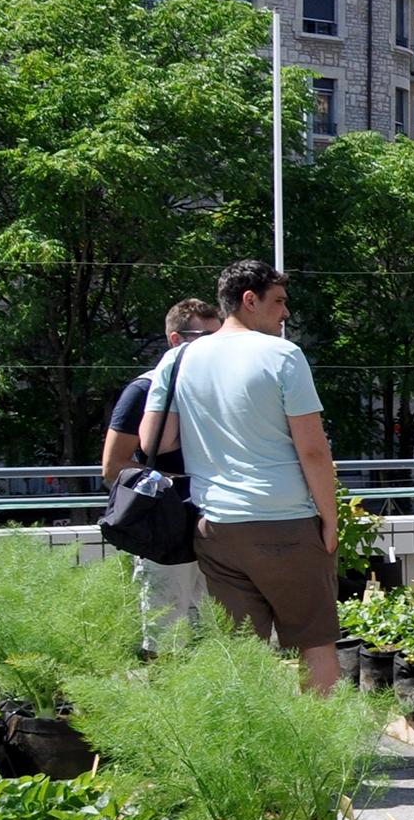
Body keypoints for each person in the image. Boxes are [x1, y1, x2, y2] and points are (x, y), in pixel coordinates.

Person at [137, 260, 344, 694]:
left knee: (241, 651)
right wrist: (329, 519)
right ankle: (318, 753)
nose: (285, 313)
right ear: (250, 300)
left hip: (219, 528)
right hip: (286, 520)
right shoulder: (284, 355)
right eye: (280, 302)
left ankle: (250, 753)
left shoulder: (178, 359)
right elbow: (312, 448)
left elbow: (155, 438)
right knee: (316, 644)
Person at [100, 297, 220, 653]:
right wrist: (174, 484)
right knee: (165, 631)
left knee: (219, 629)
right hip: (167, 528)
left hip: (216, 521)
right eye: (204, 338)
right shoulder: (143, 390)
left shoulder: (217, 389)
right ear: (174, 340)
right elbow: (113, 466)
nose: (214, 349)